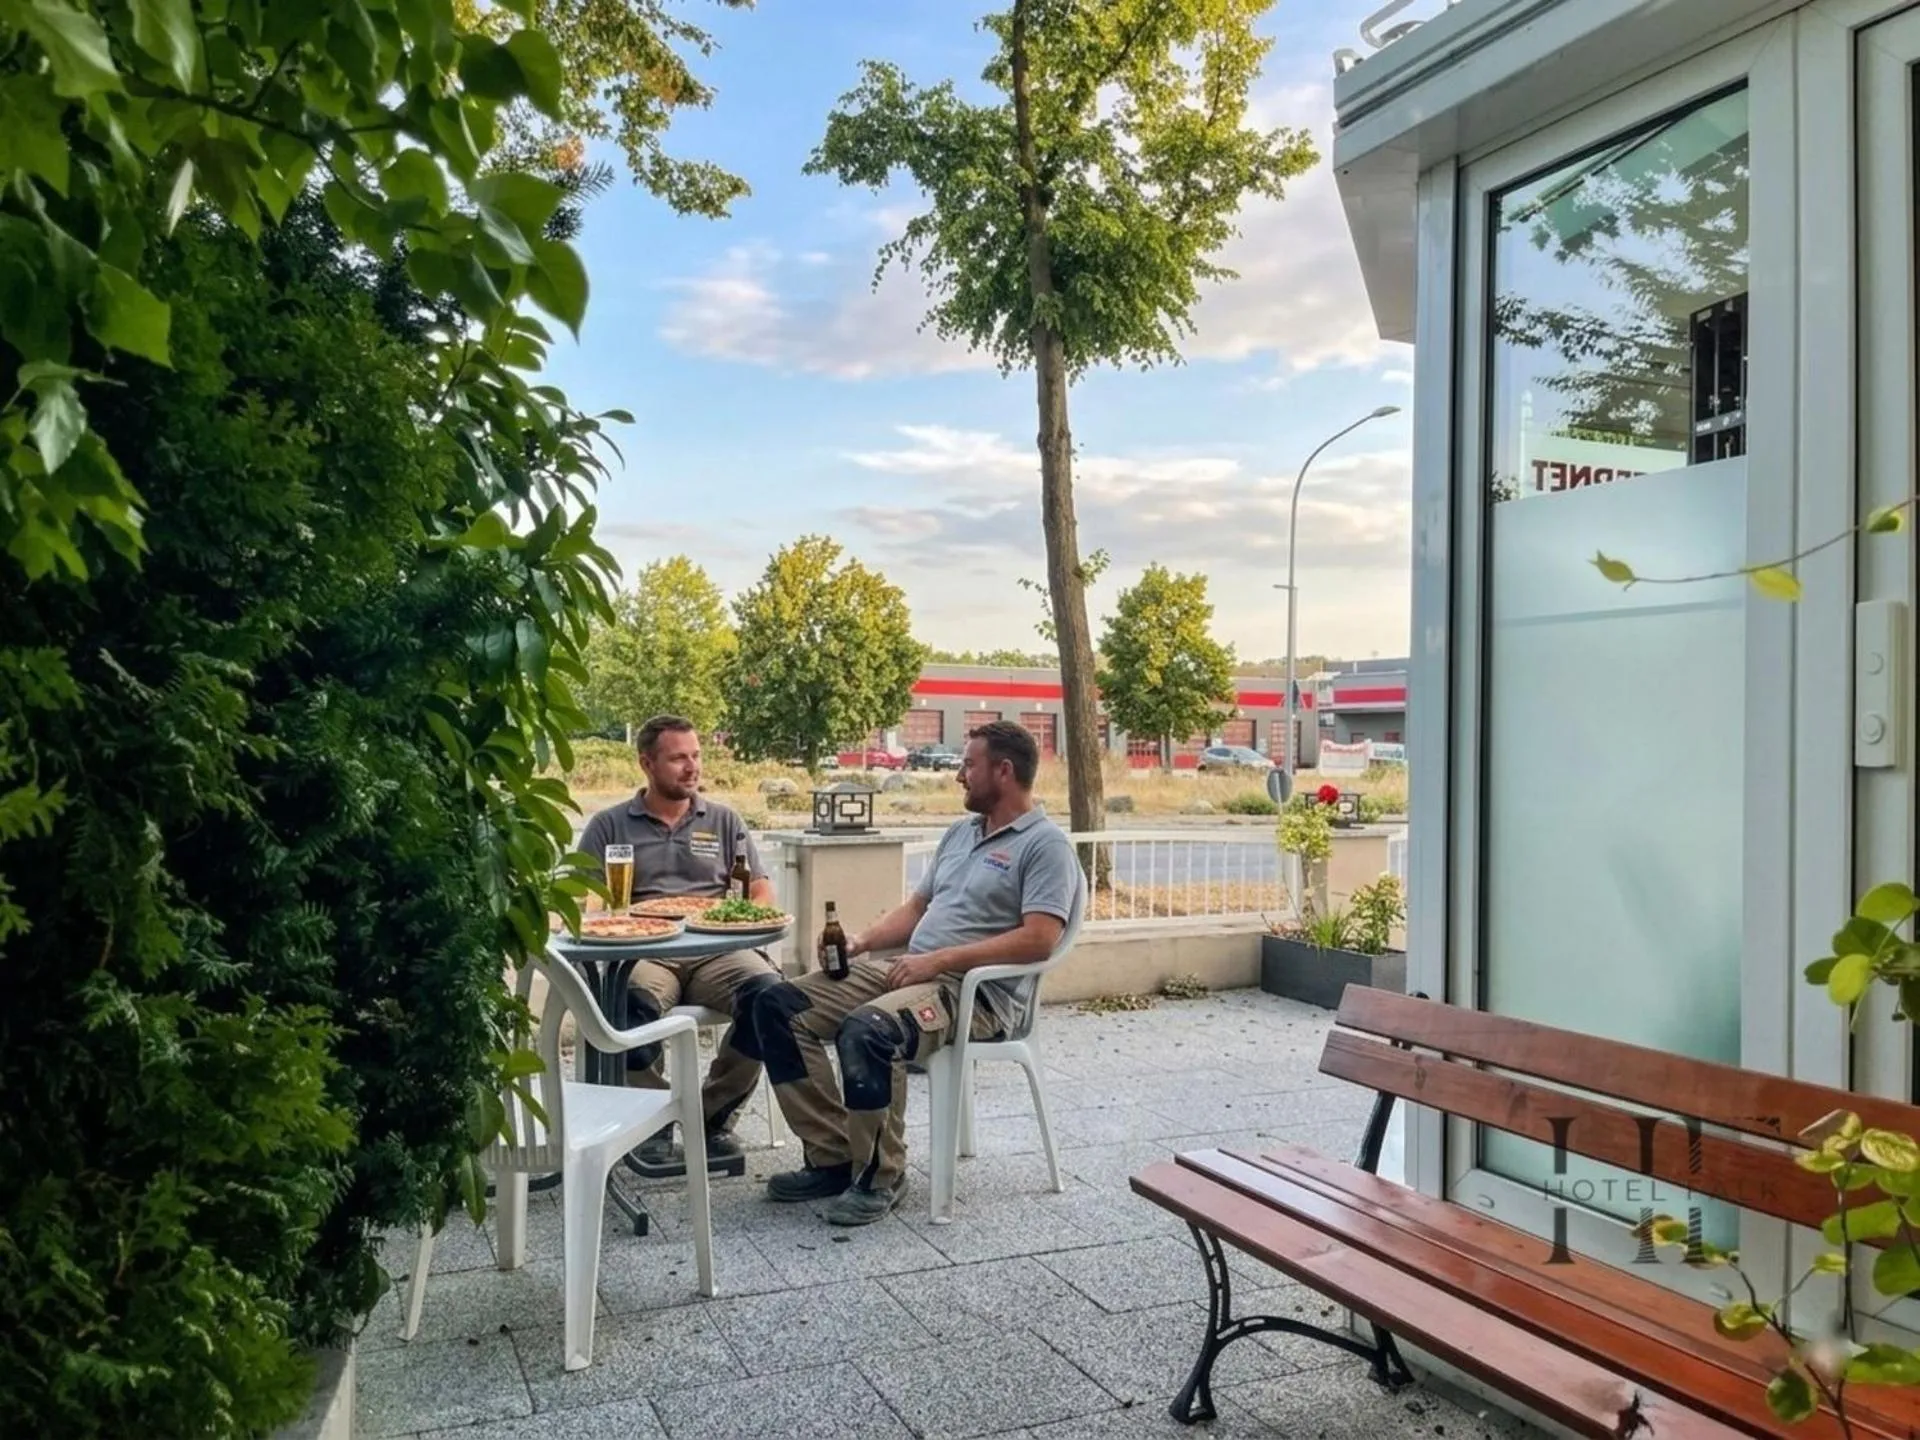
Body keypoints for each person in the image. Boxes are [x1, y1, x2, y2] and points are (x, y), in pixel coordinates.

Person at [738, 721, 1078, 1226]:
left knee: (868, 1031)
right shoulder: (962, 833)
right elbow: (917, 908)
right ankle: (832, 1157)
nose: (959, 775)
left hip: (974, 994)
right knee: (777, 1005)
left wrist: (939, 961)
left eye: (969, 765)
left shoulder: (1046, 846)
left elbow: (1039, 939)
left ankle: (881, 1175)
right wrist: (860, 943)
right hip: (912, 971)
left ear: (1004, 771)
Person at [576, 715, 781, 1167]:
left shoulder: (724, 820)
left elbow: (760, 889)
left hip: (717, 948)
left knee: (772, 998)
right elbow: (582, 896)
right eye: (678, 759)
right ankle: (653, 1120)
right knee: (628, 1002)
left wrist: (746, 916)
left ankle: (711, 1116)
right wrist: (605, 916)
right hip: (644, 950)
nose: (692, 768)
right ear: (646, 763)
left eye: (696, 756)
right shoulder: (609, 825)